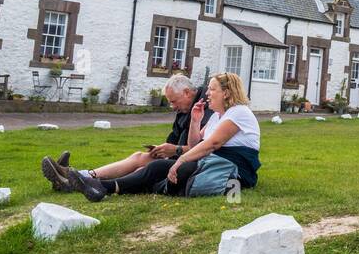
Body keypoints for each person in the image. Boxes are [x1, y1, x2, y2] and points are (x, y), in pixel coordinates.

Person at [66, 72, 261, 201]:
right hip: (209, 166)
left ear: (226, 93)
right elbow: (195, 145)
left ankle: (96, 184)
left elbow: (212, 144)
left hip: (233, 174)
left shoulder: (239, 112)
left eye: (212, 89)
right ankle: (100, 186)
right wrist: (195, 120)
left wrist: (179, 159)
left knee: (162, 171)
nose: (208, 93)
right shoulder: (217, 117)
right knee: (157, 171)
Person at [41, 73, 206, 192]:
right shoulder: (185, 110)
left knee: (139, 167)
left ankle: (76, 179)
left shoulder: (204, 109)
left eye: (174, 101)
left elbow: (202, 147)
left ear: (186, 92)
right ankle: (75, 177)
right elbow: (175, 140)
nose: (173, 107)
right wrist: (163, 149)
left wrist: (175, 149)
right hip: (177, 157)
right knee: (139, 158)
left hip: (188, 161)